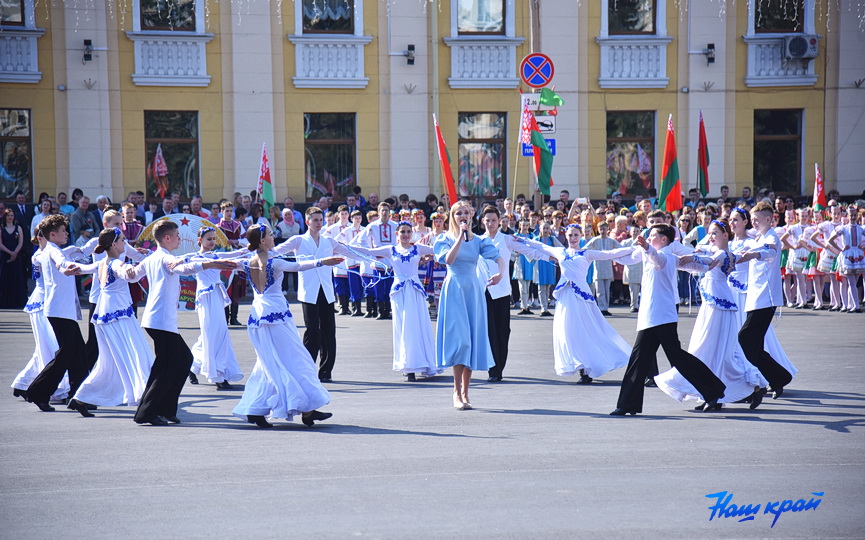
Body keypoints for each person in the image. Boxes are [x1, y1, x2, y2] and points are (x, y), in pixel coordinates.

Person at [126, 220, 236, 425]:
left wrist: (122, 267)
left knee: (184, 360)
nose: (179, 238)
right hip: (160, 321)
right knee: (166, 368)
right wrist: (210, 264)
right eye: (176, 235)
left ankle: (165, 409)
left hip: (160, 321)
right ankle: (147, 413)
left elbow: (132, 276)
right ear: (167, 238)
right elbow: (184, 269)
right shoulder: (165, 258)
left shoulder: (154, 257)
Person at [609, 224, 727, 415]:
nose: (648, 238)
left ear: (664, 240)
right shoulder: (659, 256)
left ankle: (714, 390)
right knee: (651, 360)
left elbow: (660, 260)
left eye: (652, 235)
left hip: (660, 317)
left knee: (664, 358)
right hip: (653, 317)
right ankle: (713, 391)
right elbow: (632, 257)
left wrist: (707, 260)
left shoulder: (664, 256)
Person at [654, 219, 768, 410]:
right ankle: (711, 394)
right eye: (710, 233)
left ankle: (746, 386)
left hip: (718, 307)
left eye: (715, 233)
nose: (711, 237)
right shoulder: (725, 252)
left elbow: (709, 261)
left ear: (726, 235)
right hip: (715, 304)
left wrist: (693, 258)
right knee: (714, 351)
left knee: (713, 349)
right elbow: (706, 254)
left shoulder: (723, 254)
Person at [233, 224, 339, 428]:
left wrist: (200, 259)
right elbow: (298, 266)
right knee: (294, 359)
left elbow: (221, 261)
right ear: (263, 240)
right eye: (272, 235)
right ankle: (304, 409)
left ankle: (260, 409)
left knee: (269, 363)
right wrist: (323, 261)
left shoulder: (246, 261)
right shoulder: (275, 261)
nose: (274, 238)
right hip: (276, 316)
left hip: (259, 315)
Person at [524, 224, 632, 383]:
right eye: (570, 235)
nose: (573, 238)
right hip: (566, 297)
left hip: (581, 297)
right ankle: (580, 366)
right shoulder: (560, 251)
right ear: (566, 236)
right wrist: (520, 239)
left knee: (585, 330)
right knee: (569, 332)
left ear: (581, 236)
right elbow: (540, 246)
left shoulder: (587, 253)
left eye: (576, 235)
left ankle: (587, 369)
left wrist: (633, 248)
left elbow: (609, 253)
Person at [66, 228, 155, 417]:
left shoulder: (102, 262)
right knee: (135, 353)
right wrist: (150, 261)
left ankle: (82, 397)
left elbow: (83, 269)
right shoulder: (115, 263)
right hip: (117, 315)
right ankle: (147, 396)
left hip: (107, 314)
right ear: (113, 244)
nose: (125, 243)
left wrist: (71, 269)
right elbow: (130, 275)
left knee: (111, 362)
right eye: (122, 240)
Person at [433, 201, 506, 410]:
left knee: (472, 340)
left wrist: (500, 273)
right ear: (453, 217)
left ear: (471, 216)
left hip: (473, 290)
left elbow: (498, 257)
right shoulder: (445, 239)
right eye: (458, 213)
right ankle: (456, 391)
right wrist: (459, 238)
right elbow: (448, 259)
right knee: (461, 340)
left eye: (466, 213)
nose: (463, 216)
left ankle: (466, 392)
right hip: (454, 289)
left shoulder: (479, 240)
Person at [348, 221, 443, 380]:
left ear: (412, 233)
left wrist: (459, 238)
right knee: (403, 326)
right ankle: (407, 363)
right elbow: (368, 251)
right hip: (399, 292)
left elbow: (439, 249)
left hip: (415, 291)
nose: (405, 235)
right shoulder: (390, 250)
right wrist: (343, 246)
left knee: (418, 325)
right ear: (396, 234)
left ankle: (423, 362)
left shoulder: (418, 248)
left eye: (408, 232)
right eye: (402, 232)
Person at [25, 215, 97, 412]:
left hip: (63, 311)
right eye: (63, 231)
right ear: (52, 234)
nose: (67, 233)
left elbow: (82, 250)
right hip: (58, 310)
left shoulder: (58, 250)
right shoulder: (53, 251)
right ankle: (38, 392)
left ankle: (78, 397)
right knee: (66, 354)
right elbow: (62, 264)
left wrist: (105, 237)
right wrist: (90, 267)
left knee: (78, 354)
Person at [273, 207, 353, 382]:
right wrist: (253, 253)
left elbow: (350, 251)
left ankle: (326, 372)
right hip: (309, 292)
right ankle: (306, 370)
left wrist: (372, 256)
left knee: (328, 333)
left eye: (320, 219)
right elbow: (275, 251)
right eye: (315, 220)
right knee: (312, 332)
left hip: (326, 291)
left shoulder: (329, 241)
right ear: (307, 221)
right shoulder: (298, 240)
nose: (318, 223)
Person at [477, 206, 547, 382]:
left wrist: (551, 257)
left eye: (494, 220)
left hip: (502, 291)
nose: (491, 223)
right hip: (484, 291)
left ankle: (500, 365)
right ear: (482, 222)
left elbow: (528, 251)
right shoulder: (477, 241)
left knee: (503, 331)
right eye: (488, 220)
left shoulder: (507, 240)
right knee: (489, 331)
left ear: (499, 221)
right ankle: (494, 370)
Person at [735, 201, 795, 404]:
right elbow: (740, 252)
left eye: (757, 219)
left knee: (745, 338)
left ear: (769, 220)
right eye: (752, 219)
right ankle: (775, 378)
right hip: (755, 297)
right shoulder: (757, 237)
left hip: (766, 298)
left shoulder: (771, 237)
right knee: (754, 343)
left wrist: (753, 254)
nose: (754, 222)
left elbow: (769, 253)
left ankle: (769, 379)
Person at [11, 226, 71, 402]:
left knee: (44, 347)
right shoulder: (41, 255)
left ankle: (22, 383)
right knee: (50, 346)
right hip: (42, 303)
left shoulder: (46, 253)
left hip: (45, 303)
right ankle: (54, 388)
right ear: (41, 237)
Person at [187, 227, 245, 390]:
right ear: (200, 240)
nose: (212, 242)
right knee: (211, 334)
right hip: (205, 299)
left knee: (218, 333)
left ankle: (194, 365)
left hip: (217, 297)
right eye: (209, 239)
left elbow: (233, 254)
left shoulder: (216, 255)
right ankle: (217, 375)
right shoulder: (193, 258)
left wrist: (249, 249)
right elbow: (179, 261)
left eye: (214, 239)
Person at [351, 202, 398, 320]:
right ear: (378, 212)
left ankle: (389, 310)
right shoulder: (373, 226)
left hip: (392, 260)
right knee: (378, 285)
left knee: (390, 285)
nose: (385, 213)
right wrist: (371, 253)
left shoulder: (395, 225)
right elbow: (361, 240)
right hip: (379, 259)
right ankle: (380, 310)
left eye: (387, 210)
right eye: (382, 210)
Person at [217, 201, 246, 325]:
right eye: (226, 211)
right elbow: (216, 245)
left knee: (235, 289)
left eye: (230, 211)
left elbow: (245, 240)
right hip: (224, 260)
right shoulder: (217, 227)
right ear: (221, 212)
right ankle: (224, 317)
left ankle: (234, 317)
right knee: (225, 288)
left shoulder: (238, 225)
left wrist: (236, 241)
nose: (229, 213)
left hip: (237, 259)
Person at [1, 209, 28, 308]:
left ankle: (17, 301)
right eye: (8, 215)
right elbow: (0, 243)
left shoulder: (18, 228)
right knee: (5, 279)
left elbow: (21, 242)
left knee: (17, 278)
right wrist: (10, 253)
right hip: (5, 256)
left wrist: (15, 253)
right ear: (5, 217)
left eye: (12, 215)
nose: (10, 217)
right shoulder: (1, 228)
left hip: (17, 256)